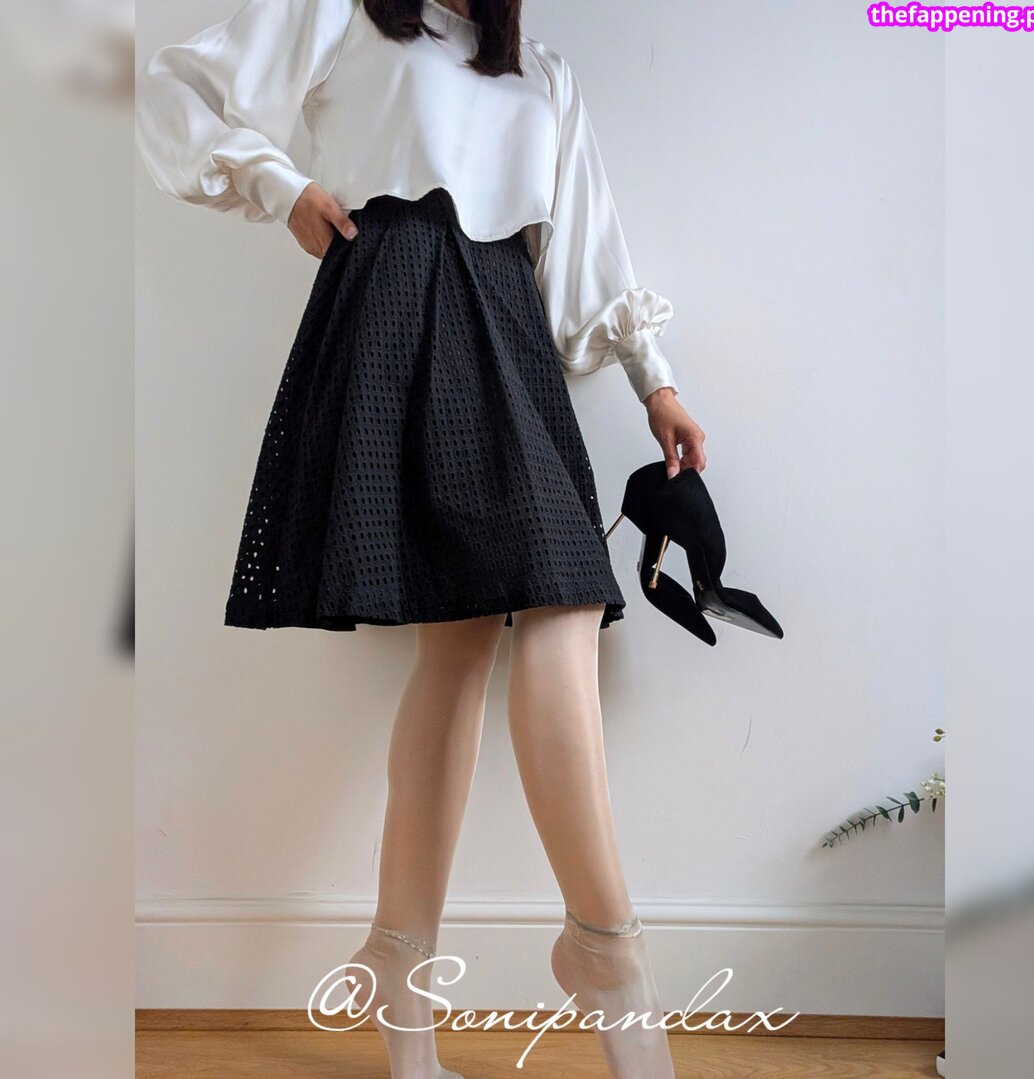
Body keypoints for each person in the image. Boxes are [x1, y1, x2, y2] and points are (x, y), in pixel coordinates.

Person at [136, 2, 707, 1076]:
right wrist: (280, 185)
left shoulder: (541, 70)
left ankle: (408, 959)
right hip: (393, 309)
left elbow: (587, 246)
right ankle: (606, 948)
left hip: (508, 330)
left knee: (500, 628)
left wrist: (656, 383)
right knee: (515, 619)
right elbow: (176, 87)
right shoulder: (344, 13)